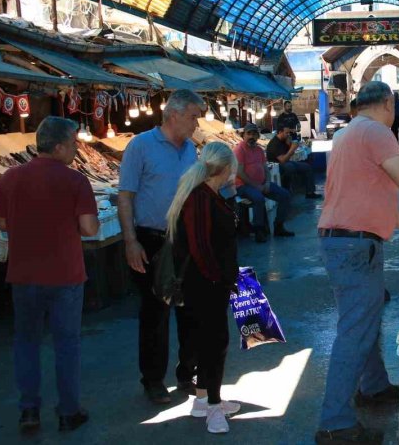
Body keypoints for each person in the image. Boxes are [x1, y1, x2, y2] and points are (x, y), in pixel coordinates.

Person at [315, 81, 399, 444]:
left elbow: (367, 198)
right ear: (388, 103)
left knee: (366, 319)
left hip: (344, 241)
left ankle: (373, 385)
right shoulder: (376, 132)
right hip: (354, 246)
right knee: (355, 330)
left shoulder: (347, 134)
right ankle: (334, 424)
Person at [0, 116, 99, 434]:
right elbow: (89, 228)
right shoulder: (75, 181)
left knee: (26, 343)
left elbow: (2, 223)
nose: (76, 149)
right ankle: (68, 411)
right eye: (73, 143)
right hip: (65, 275)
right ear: (59, 147)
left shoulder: (10, 177)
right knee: (66, 344)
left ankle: (29, 411)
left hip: (24, 274)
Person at [118, 89, 204, 405]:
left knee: (190, 309)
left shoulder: (190, 149)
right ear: (174, 115)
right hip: (152, 239)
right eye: (193, 116)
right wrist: (131, 241)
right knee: (155, 313)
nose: (197, 124)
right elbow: (125, 196)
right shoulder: (140, 146)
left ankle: (187, 372)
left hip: (185, 237)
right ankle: (153, 380)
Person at [166, 142, 242, 434]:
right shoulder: (200, 197)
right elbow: (200, 246)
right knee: (214, 344)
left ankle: (202, 401)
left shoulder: (205, 194)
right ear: (226, 167)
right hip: (205, 285)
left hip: (206, 282)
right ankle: (213, 406)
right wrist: (218, 278)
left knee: (204, 341)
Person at [234, 123, 294, 242]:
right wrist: (256, 186)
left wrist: (267, 182)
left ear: (257, 136)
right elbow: (239, 173)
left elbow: (265, 169)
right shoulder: (239, 150)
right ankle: (259, 230)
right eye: (249, 134)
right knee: (259, 198)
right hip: (243, 186)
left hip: (261, 184)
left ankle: (279, 226)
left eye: (254, 134)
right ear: (243, 135)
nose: (251, 136)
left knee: (285, 195)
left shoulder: (259, 150)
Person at [267, 123, 321, 199]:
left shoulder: (283, 140)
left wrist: (289, 145)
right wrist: (292, 148)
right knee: (290, 167)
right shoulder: (274, 143)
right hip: (277, 165)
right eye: (286, 133)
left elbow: (288, 155)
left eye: (289, 133)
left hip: (286, 162)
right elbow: (282, 160)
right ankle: (287, 191)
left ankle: (310, 192)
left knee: (307, 167)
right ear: (280, 132)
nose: (288, 135)